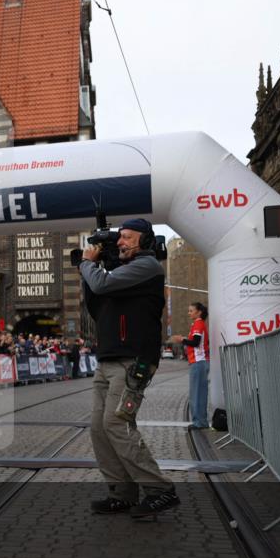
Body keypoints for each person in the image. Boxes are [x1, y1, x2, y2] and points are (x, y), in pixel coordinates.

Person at [79, 218, 178, 518]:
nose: (120, 242)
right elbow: (96, 303)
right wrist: (92, 272)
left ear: (145, 241)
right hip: (108, 359)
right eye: (119, 238)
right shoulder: (121, 273)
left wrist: (87, 264)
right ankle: (122, 492)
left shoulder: (147, 267)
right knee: (99, 428)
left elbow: (102, 283)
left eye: (127, 237)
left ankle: (161, 490)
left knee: (117, 424)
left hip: (133, 361)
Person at [172, 302, 210, 430]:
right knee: (199, 392)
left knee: (197, 393)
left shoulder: (198, 324)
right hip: (199, 362)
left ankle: (199, 422)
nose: (189, 313)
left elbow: (195, 342)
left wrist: (181, 339)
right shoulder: (198, 324)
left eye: (191, 311)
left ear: (199, 312)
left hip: (198, 362)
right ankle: (200, 420)